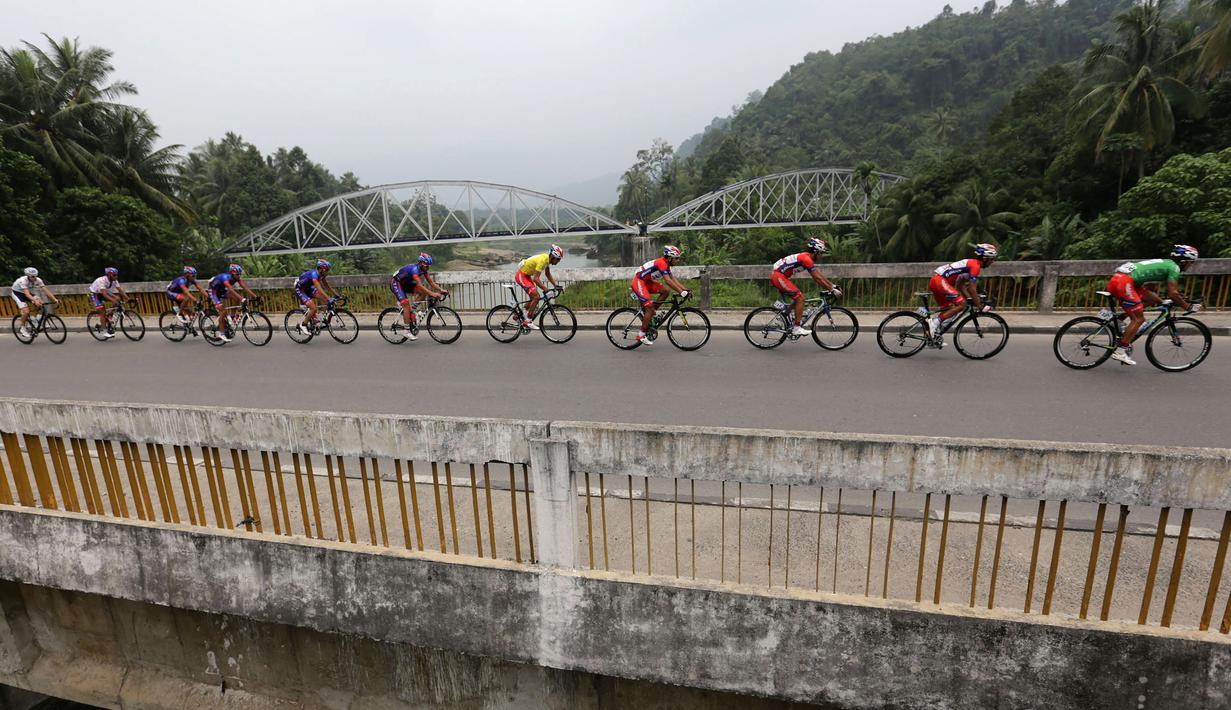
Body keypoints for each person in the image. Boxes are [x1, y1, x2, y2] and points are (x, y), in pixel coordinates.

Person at [1105, 245, 1200, 366]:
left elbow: (1151, 288)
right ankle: (1120, 351)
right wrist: (1188, 307)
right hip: (1125, 282)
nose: (1190, 266)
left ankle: (1119, 320)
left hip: (1121, 279)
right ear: (1184, 261)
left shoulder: (1167, 263)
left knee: (1157, 300)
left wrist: (1173, 299)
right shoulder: (1174, 268)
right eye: (1190, 263)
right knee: (1138, 319)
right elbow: (1173, 293)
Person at [771, 238, 842, 336]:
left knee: (798, 298)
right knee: (800, 297)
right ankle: (796, 328)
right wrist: (831, 289)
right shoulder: (806, 259)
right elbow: (817, 279)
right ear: (816, 251)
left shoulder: (807, 257)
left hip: (780, 275)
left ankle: (784, 315)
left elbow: (818, 275)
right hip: (778, 276)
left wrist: (832, 286)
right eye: (821, 253)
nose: (822, 255)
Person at [928, 244, 998, 338]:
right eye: (992, 259)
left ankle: (931, 336)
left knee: (950, 309)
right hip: (940, 281)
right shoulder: (975, 266)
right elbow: (972, 289)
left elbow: (961, 285)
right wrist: (980, 305)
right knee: (961, 305)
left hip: (936, 281)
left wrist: (970, 299)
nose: (992, 262)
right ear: (985, 258)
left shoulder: (971, 264)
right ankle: (934, 323)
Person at [630, 245, 690, 346]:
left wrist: (684, 289)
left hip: (647, 281)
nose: (678, 260)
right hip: (639, 281)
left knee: (665, 291)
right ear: (670, 258)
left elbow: (672, 279)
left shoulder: (666, 265)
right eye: (676, 258)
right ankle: (641, 334)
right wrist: (681, 292)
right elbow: (668, 281)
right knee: (649, 308)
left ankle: (651, 314)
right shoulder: (661, 263)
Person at [390, 252, 448, 341]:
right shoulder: (414, 270)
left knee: (423, 293)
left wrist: (441, 290)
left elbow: (431, 283)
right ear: (421, 263)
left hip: (405, 283)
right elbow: (420, 285)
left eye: (428, 266)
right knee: (406, 305)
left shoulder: (423, 270)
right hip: (396, 283)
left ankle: (412, 311)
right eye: (426, 266)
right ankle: (406, 331)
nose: (427, 268)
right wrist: (432, 294)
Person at [515, 244, 563, 329]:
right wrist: (546, 289)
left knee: (533, 297)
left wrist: (556, 285)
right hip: (522, 276)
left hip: (527, 276)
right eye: (558, 259)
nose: (558, 261)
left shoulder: (547, 260)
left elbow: (547, 274)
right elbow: (536, 279)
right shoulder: (543, 260)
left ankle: (518, 315)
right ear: (552, 256)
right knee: (536, 297)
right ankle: (528, 321)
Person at [208, 263, 257, 343]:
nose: (239, 276)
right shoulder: (225, 277)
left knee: (236, 299)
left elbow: (244, 287)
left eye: (240, 274)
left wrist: (255, 296)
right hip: (214, 292)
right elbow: (231, 289)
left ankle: (232, 317)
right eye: (237, 274)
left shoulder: (236, 278)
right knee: (223, 311)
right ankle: (221, 333)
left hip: (222, 290)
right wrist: (242, 299)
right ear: (232, 273)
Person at [11, 267, 59, 338]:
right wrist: (34, 300)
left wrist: (54, 299)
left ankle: (36, 320)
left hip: (27, 293)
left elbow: (46, 290)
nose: (35, 278)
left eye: (36, 276)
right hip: (18, 294)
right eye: (33, 277)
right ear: (28, 276)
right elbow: (27, 294)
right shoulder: (23, 281)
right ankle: (22, 328)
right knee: (26, 312)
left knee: (41, 303)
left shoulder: (38, 280)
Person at [295, 259, 340, 336]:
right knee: (313, 308)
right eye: (327, 269)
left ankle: (320, 318)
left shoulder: (321, 275)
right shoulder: (314, 275)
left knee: (326, 300)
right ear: (321, 269)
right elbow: (319, 288)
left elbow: (326, 286)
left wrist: (336, 294)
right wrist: (329, 298)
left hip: (308, 288)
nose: (327, 271)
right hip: (300, 289)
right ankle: (303, 325)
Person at [88, 267, 128, 339]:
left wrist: (128, 299)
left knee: (117, 298)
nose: (116, 276)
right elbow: (104, 295)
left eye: (117, 275)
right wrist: (113, 300)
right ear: (109, 275)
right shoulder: (101, 280)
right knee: (102, 311)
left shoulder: (115, 281)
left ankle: (109, 318)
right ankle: (104, 332)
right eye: (114, 275)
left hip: (104, 292)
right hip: (95, 294)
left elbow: (120, 291)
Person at [166, 267, 209, 331]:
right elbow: (186, 292)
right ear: (187, 275)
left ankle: (190, 328)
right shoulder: (181, 280)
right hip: (171, 292)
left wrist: (209, 297)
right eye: (193, 275)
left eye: (195, 275)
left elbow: (201, 289)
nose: (194, 277)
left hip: (179, 293)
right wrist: (195, 300)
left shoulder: (192, 280)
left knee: (190, 312)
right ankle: (180, 313)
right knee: (186, 298)